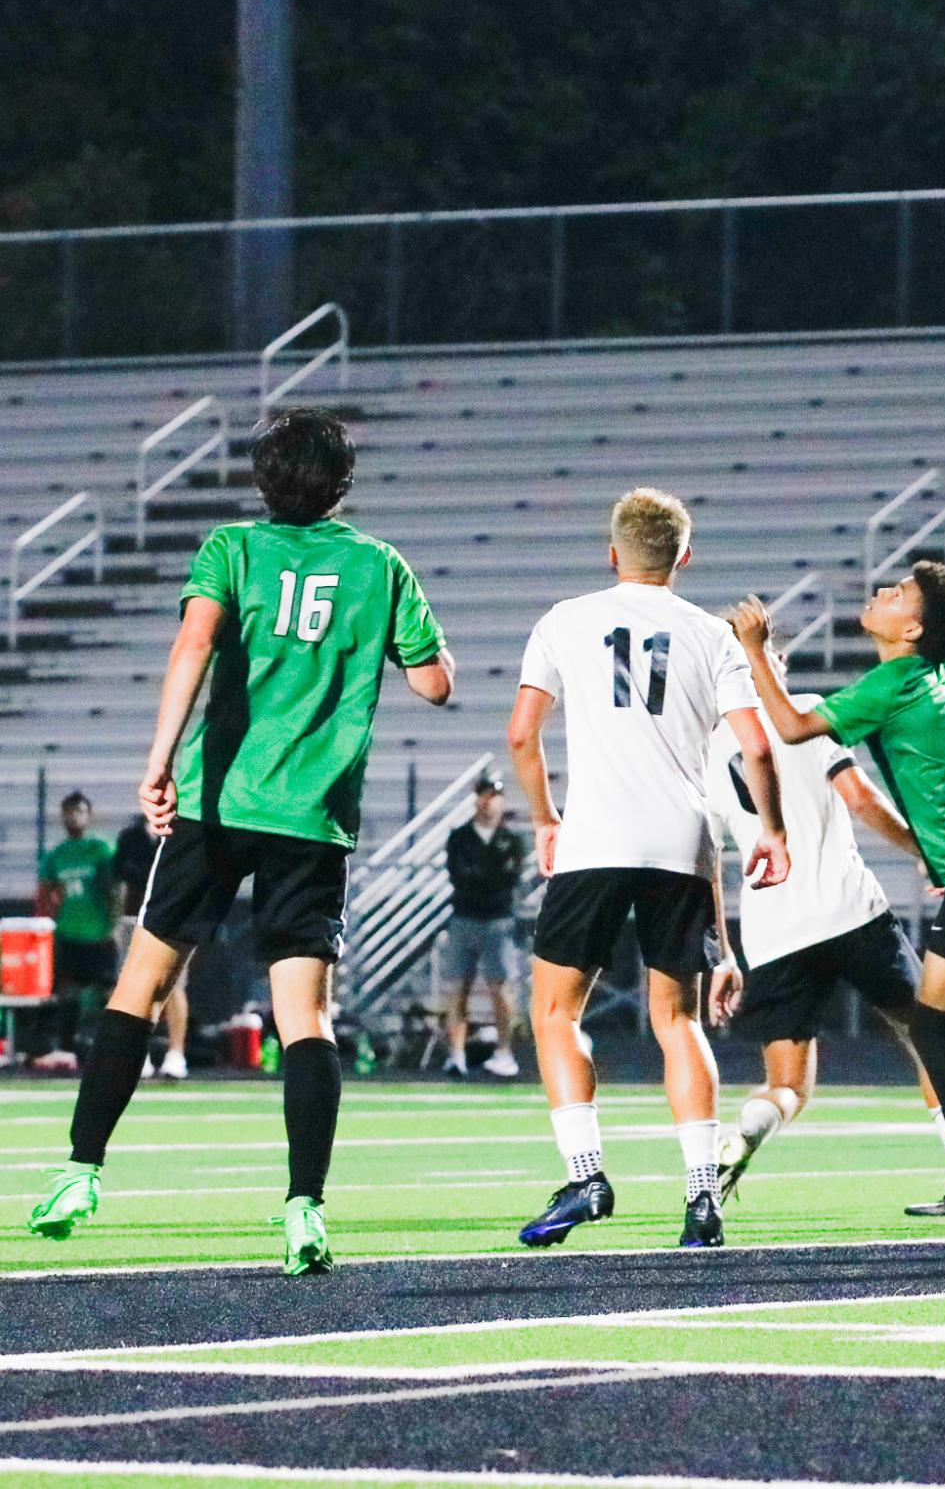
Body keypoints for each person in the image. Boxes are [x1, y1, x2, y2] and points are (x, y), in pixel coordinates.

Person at [26, 407, 454, 1274]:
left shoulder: (232, 549)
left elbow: (192, 646)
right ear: (342, 484)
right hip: (312, 818)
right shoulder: (378, 566)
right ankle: (304, 1207)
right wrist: (379, 648)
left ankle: (80, 1172)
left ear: (262, 482)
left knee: (138, 986)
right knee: (307, 1018)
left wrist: (159, 761)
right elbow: (436, 685)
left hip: (219, 803)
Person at [729, 559, 945, 1220]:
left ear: (912, 627)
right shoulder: (940, 671)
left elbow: (794, 727)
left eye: (899, 593)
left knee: (930, 1026)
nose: (883, 591)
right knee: (926, 1021)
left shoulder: (889, 684)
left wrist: (753, 650)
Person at [510, 487, 788, 1252]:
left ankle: (586, 1174)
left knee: (556, 1013)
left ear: (611, 552)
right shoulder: (708, 633)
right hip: (679, 842)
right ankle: (702, 1197)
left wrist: (543, 818)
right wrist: (771, 828)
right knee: (679, 1021)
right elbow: (757, 746)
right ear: (683, 557)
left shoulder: (566, 619)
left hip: (594, 838)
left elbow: (521, 734)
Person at [706, 646, 945, 1201]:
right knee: (929, 1034)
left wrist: (723, 952)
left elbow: (707, 862)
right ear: (766, 663)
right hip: (848, 912)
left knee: (788, 1086)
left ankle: (745, 1132)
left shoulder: (706, 749)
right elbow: (861, 798)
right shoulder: (805, 710)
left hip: (773, 931)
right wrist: (922, 850)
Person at [439, 774, 527, 1079]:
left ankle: (504, 1052)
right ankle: (457, 1053)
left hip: (498, 920)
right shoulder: (460, 837)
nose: (487, 801)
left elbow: (508, 878)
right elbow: (460, 875)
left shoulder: (511, 840)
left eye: (493, 796)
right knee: (457, 988)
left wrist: (481, 876)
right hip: (465, 918)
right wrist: (486, 876)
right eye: (483, 795)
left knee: (501, 988)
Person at [34, 792, 119, 1066]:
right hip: (69, 934)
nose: (75, 816)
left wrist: (113, 924)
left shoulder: (101, 849)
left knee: (109, 994)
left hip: (99, 934)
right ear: (62, 816)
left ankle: (109, 1050)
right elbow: (44, 893)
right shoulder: (56, 855)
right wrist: (46, 926)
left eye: (80, 811)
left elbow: (116, 889)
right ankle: (68, 1050)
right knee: (67, 994)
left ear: (89, 814)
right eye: (69, 811)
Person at [113, 813, 187, 1081]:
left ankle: (176, 1054)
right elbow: (120, 882)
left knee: (174, 986)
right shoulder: (131, 838)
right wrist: (118, 920)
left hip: (173, 918)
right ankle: (137, 1055)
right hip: (134, 919)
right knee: (132, 986)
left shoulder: (182, 834)